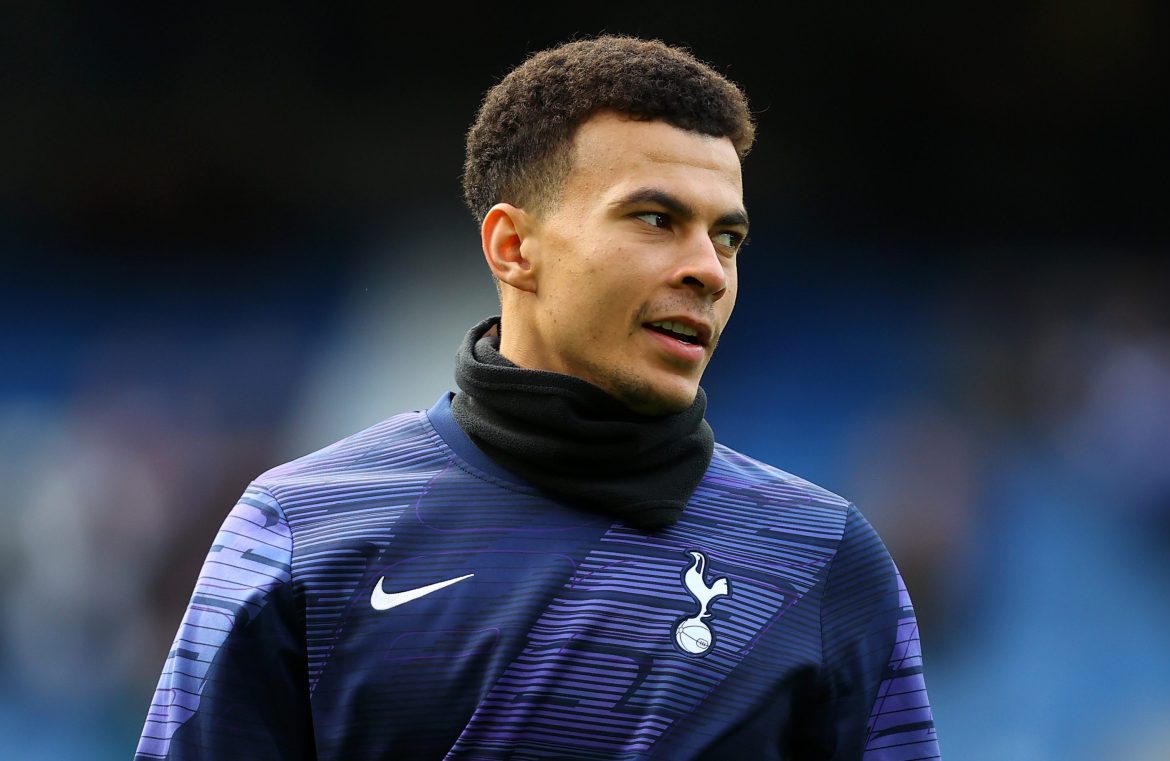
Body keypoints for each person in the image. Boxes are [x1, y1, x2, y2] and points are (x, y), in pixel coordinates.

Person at [135, 35, 941, 760]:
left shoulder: (821, 557)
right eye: (655, 219)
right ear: (513, 246)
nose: (709, 269)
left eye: (726, 236)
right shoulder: (304, 527)